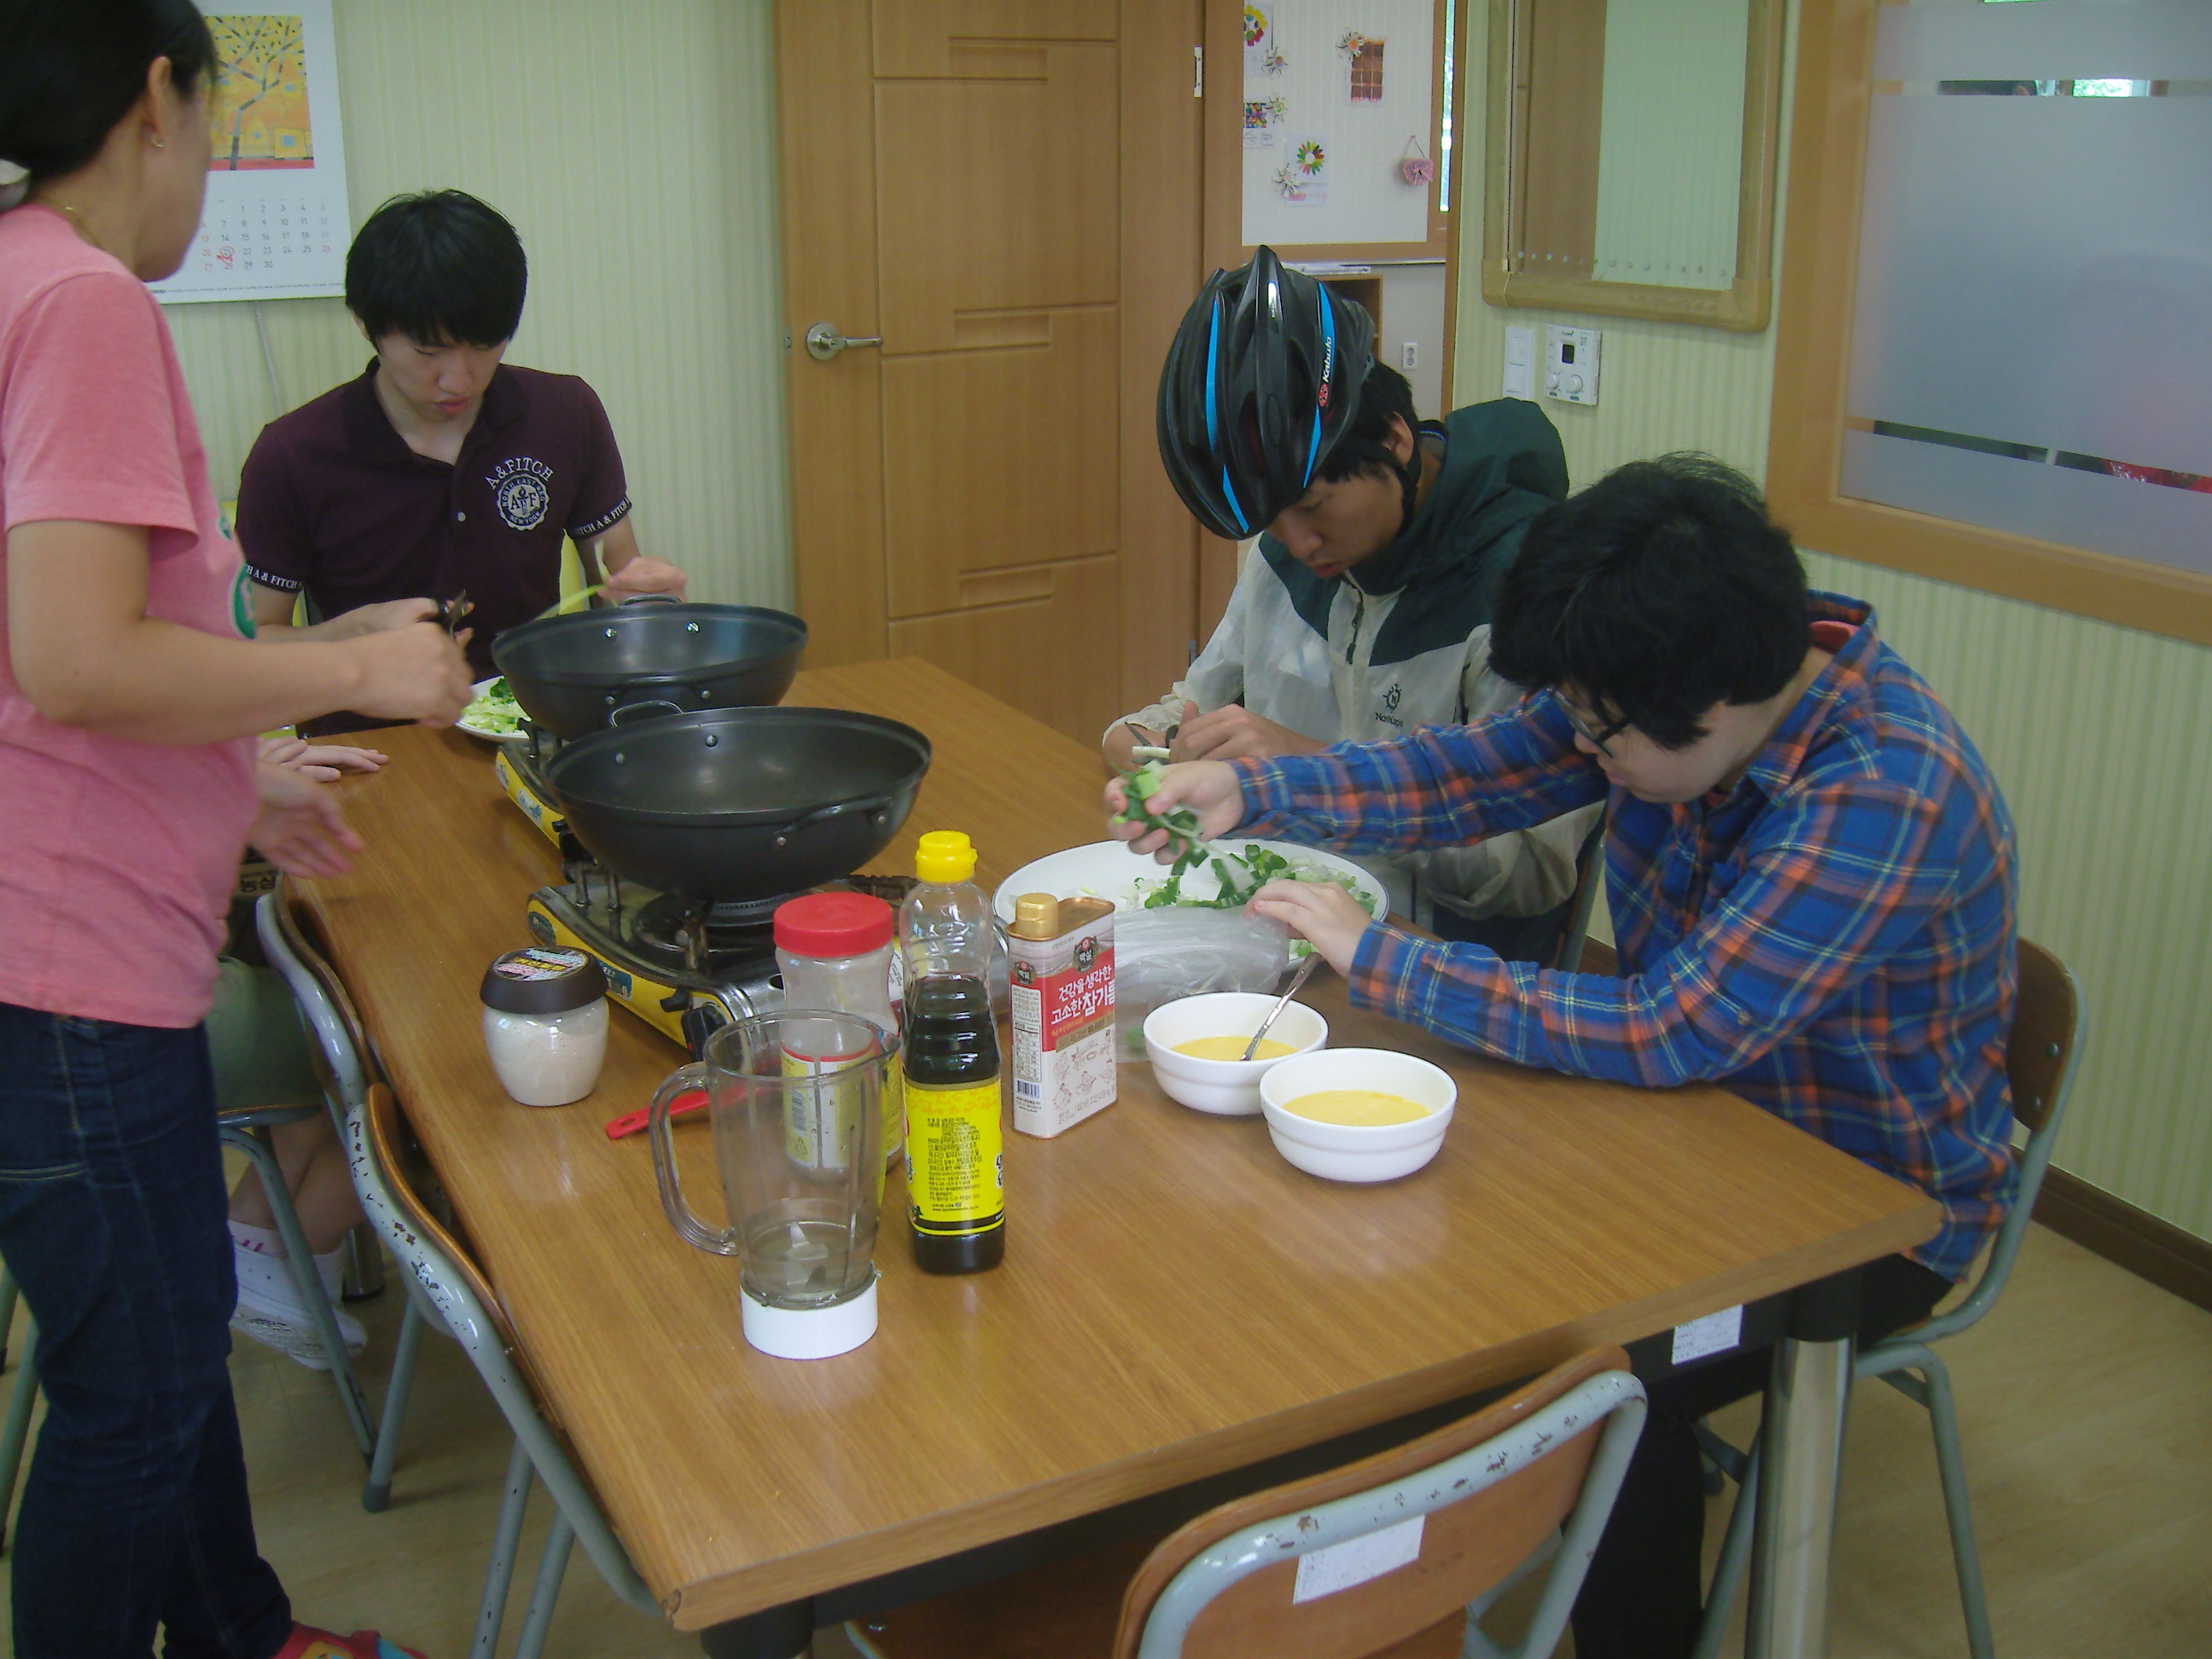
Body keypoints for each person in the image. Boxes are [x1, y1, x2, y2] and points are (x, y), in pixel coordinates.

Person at [1109, 454, 2019, 1659]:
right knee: (1408, 1267)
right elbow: (1466, 770)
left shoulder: (1885, 790)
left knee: (1600, 1381)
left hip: (1861, 1204)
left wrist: (1385, 959)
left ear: (1715, 702)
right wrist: (1252, 789)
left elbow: (1669, 1026)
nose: (1584, 749)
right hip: (1682, 1126)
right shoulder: (1655, 682)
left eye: (1600, 731)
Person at [0, 5, 470, 1655]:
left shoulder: (11, 272)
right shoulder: (79, 298)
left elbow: (40, 658)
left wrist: (228, 773)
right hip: (66, 960)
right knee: (133, 1397)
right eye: (206, 116)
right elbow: (75, 656)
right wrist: (353, 669)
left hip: (50, 925)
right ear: (159, 97)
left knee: (164, 1339)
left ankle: (241, 1633)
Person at [1112, 247, 1597, 956]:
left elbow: (1527, 874)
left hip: (1428, 959)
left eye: (1313, 508)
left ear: (1395, 440)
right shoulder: (1289, 554)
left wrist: (1304, 767)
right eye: (1271, 522)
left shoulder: (1520, 591)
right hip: (1278, 927)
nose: (1298, 544)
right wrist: (1155, 754)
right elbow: (1189, 708)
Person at [235, 188, 687, 719]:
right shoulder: (293, 455)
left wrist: (646, 601)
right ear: (364, 322)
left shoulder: (565, 412)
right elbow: (248, 647)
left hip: (532, 721)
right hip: (371, 740)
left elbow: (615, 572)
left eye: (485, 345)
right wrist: (356, 632)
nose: (459, 380)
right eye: (428, 351)